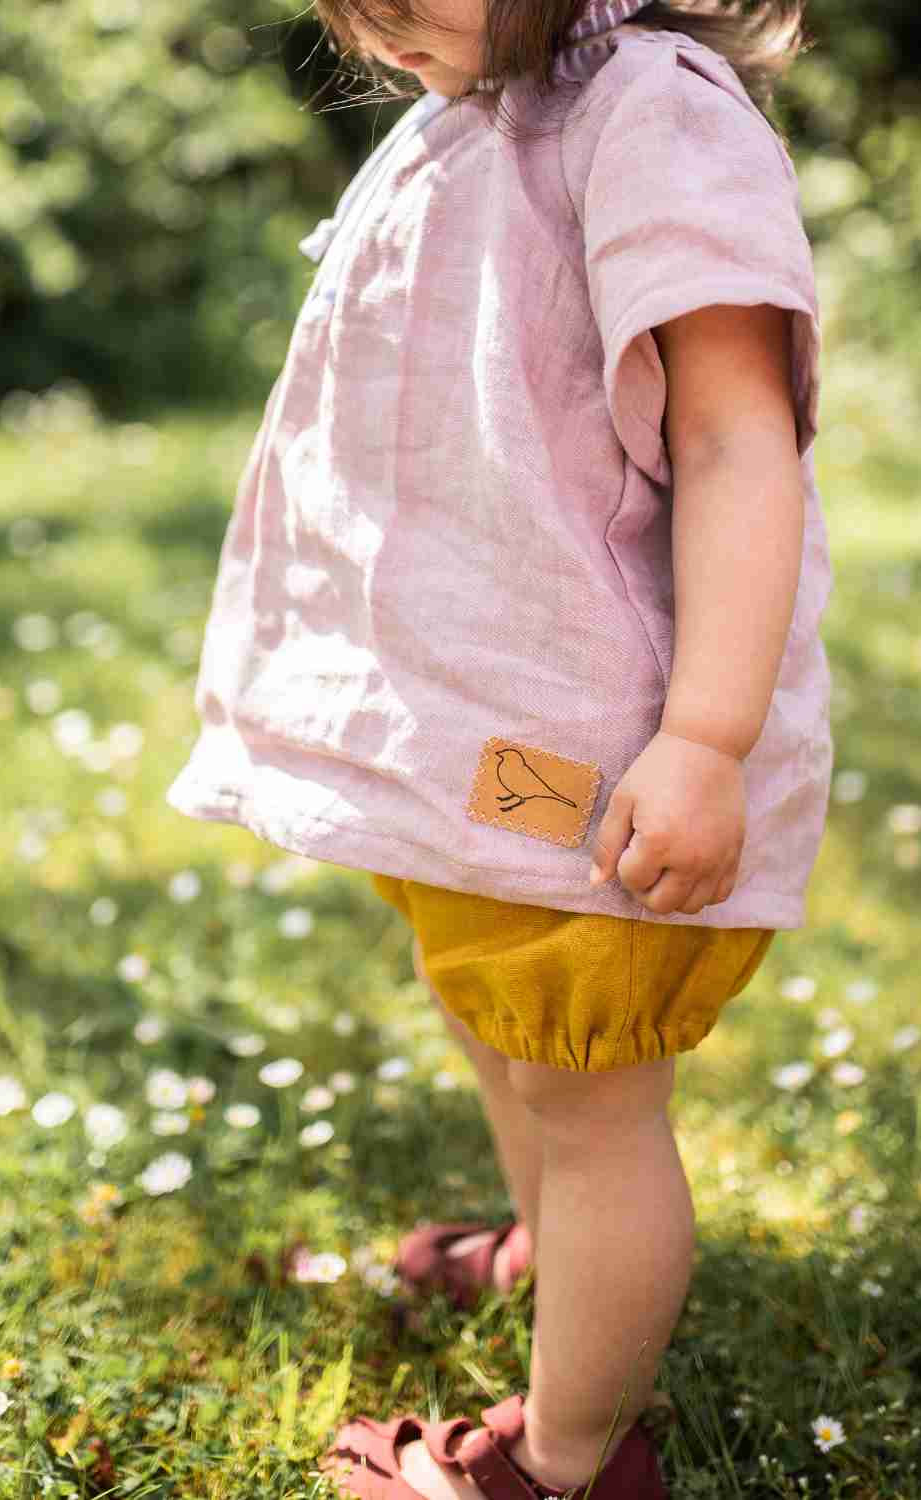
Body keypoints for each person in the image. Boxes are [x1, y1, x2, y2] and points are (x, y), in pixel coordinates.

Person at [165, 0, 832, 1490]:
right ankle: (555, 1253)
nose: (376, 22)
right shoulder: (463, 118)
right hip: (480, 737)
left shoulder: (650, 116)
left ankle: (568, 1459)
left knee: (592, 1097)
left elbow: (735, 436)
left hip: (604, 757)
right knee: (507, 1028)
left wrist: (706, 739)